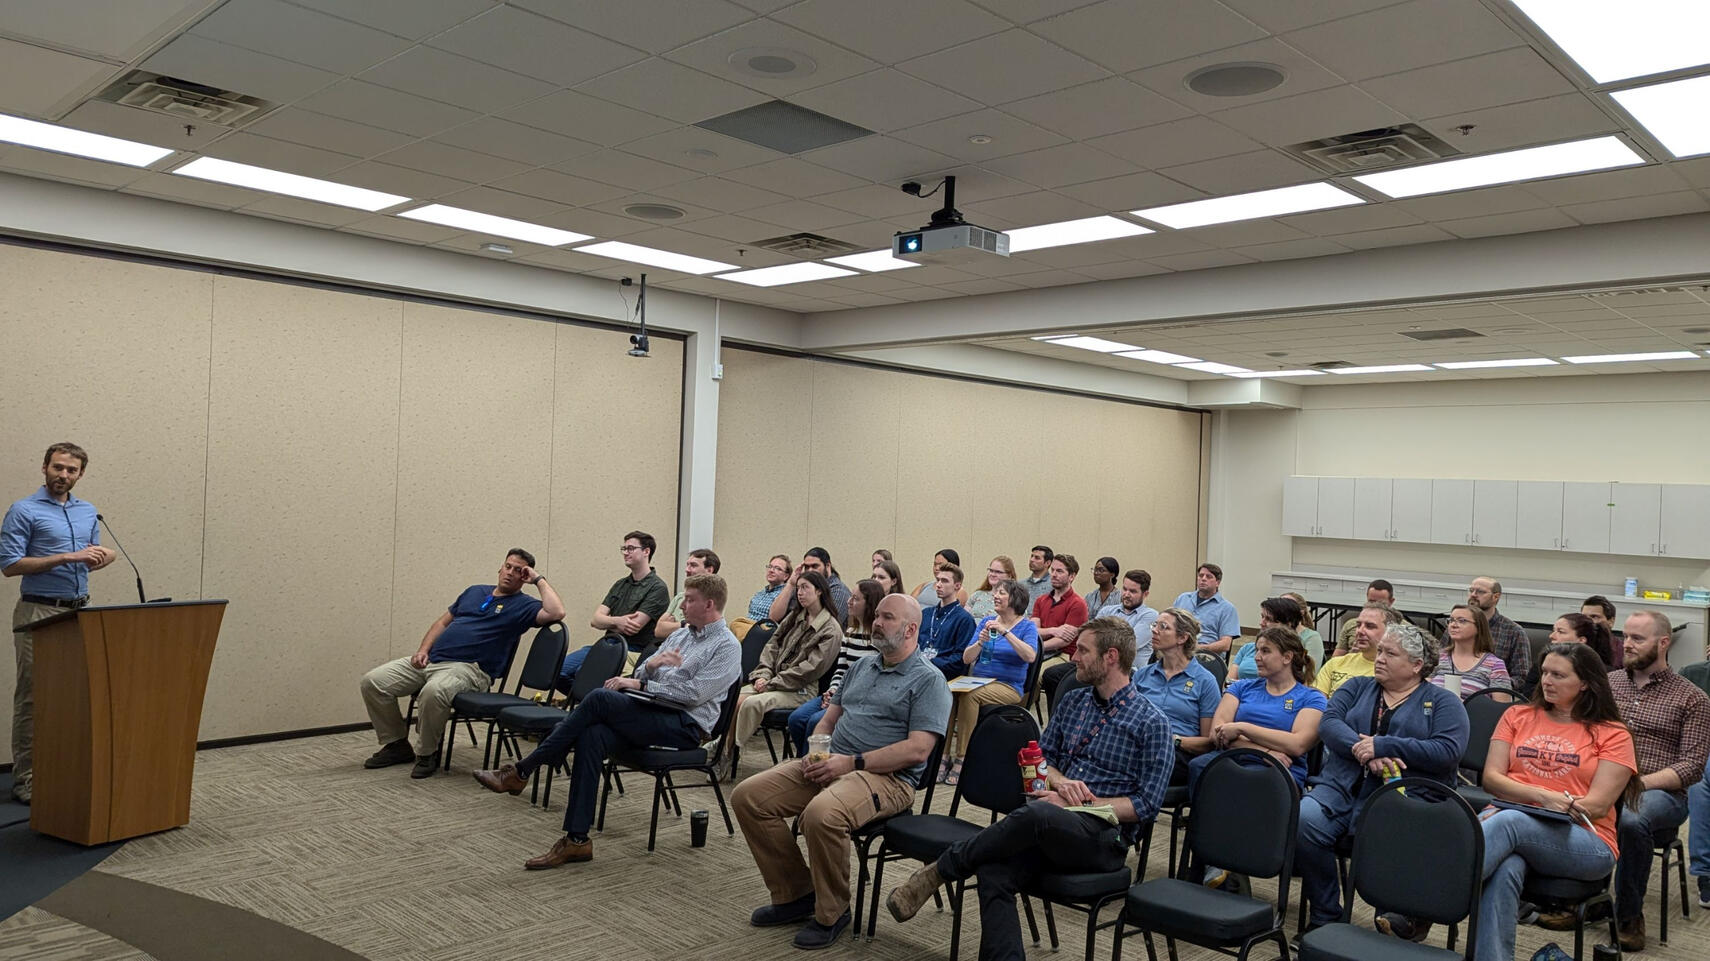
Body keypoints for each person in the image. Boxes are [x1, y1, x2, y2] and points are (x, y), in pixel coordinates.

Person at [884, 616, 1174, 961]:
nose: (1073, 657)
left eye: (1082, 650)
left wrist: (1078, 806)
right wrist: (1062, 783)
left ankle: (943, 867)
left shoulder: (1152, 723)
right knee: (993, 869)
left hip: (1103, 840)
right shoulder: (1073, 702)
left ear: (1111, 657)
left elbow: (1146, 805)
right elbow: (1043, 761)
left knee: (1039, 813)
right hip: (1049, 824)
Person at [472, 573, 741, 866]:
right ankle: (577, 841)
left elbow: (694, 694)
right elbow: (640, 674)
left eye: (690, 600)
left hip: (686, 725)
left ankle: (523, 770)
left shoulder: (727, 646)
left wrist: (643, 684)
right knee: (592, 735)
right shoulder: (680, 635)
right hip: (652, 709)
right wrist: (649, 667)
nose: (683, 607)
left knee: (601, 698)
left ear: (709, 604)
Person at [732, 593, 950, 950]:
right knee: (749, 797)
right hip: (835, 763)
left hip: (888, 779)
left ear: (911, 629)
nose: (877, 622)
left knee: (821, 814)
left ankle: (831, 911)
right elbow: (829, 719)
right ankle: (795, 894)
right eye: (877, 616)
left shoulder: (929, 681)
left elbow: (918, 749)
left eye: (887, 618)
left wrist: (851, 763)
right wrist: (818, 751)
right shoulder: (863, 666)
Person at [1462, 642, 1637, 960]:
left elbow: (1595, 807)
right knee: (1505, 867)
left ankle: (1435, 890)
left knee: (1511, 821)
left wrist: (1529, 803)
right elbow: (1491, 778)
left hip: (1586, 840)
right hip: (1510, 827)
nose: (1546, 680)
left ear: (1584, 682)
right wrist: (1544, 797)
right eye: (1544, 672)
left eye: (1558, 674)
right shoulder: (1517, 715)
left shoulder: (1613, 733)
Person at [1298, 623, 1469, 933]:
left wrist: (1384, 745)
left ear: (1417, 665)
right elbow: (1329, 723)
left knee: (1389, 831)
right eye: (1380, 652)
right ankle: (1325, 914)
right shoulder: (1357, 687)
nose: (1380, 658)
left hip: (1405, 797)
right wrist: (1364, 749)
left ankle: (1400, 916)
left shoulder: (1444, 703)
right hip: (1339, 788)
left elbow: (1447, 750)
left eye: (1391, 654)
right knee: (1303, 821)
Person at [1568, 611, 1709, 951]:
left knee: (1631, 819)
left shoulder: (1692, 698)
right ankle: (1581, 900)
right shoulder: (1609, 683)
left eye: (1637, 638)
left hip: (1660, 792)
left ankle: (1629, 915)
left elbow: (1691, 766)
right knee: (1559, 802)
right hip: (1600, 780)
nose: (1627, 644)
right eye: (1625, 637)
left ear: (1664, 643)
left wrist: (1633, 785)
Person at [359, 549, 564, 778]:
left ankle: (427, 753)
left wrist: (538, 579)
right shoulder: (475, 592)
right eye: (508, 566)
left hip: (469, 669)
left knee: (434, 692)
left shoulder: (524, 605)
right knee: (373, 682)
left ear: (524, 577)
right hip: (431, 660)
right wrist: (423, 650)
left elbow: (557, 612)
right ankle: (397, 744)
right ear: (500, 568)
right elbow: (442, 623)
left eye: (519, 571)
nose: (510, 573)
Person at [2, 442, 116, 804]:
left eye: (71, 470)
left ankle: (64, 768)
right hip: (40, 612)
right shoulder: (24, 510)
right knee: (34, 698)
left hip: (80, 611)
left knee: (77, 697)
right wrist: (66, 556)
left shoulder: (88, 512)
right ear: (44, 467)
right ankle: (28, 779)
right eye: (57, 468)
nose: (63, 475)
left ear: (80, 474)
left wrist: (104, 555)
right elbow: (10, 565)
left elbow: (91, 554)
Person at [731, 569, 843, 775]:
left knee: (752, 703)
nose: (799, 593)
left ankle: (729, 753)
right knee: (735, 698)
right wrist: (763, 674)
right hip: (773, 680)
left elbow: (810, 670)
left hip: (800, 689)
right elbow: (772, 645)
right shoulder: (796, 616)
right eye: (798, 588)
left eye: (805, 588)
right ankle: (723, 747)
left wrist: (772, 682)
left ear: (819, 591)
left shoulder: (830, 629)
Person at [1191, 626, 1327, 792]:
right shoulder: (1241, 687)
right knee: (1200, 766)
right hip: (1235, 758)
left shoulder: (1311, 698)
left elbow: (1297, 745)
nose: (1256, 657)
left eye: (1265, 651)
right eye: (1257, 650)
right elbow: (1217, 734)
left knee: (1253, 781)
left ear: (1287, 657)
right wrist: (1264, 752)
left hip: (1278, 768)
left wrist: (1242, 727)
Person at [942, 579, 1039, 785]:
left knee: (971, 694)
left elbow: (1030, 656)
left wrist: (1006, 632)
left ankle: (962, 757)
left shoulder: (1026, 627)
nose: (995, 596)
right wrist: (980, 642)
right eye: (996, 592)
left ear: (1014, 599)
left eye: (1001, 593)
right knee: (946, 691)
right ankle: (943, 756)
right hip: (978, 680)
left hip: (1008, 686)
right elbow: (967, 659)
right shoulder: (987, 622)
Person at [559, 530, 669, 689]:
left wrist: (607, 621)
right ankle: (586, 703)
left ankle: (590, 703)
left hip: (630, 650)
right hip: (606, 644)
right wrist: (617, 621)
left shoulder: (657, 587)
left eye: (630, 548)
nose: (625, 553)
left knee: (583, 674)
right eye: (624, 549)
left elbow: (632, 627)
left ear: (646, 551)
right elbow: (595, 620)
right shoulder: (620, 584)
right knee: (559, 670)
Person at [786, 579, 882, 757]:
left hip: (856, 698)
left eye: (855, 598)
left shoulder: (877, 639)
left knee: (816, 721)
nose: (849, 601)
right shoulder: (850, 633)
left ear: (869, 604)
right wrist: (832, 691)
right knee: (796, 719)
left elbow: (869, 679)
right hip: (838, 692)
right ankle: (804, 759)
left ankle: (814, 763)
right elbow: (841, 669)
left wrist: (838, 697)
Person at [1044, 568, 1158, 707]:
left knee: (1080, 681)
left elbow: (1127, 646)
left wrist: (1101, 641)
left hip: (1126, 670)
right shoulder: (1107, 610)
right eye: (1125, 589)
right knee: (1051, 674)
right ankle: (1057, 721)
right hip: (1094, 661)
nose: (1126, 594)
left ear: (1145, 594)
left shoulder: (1150, 615)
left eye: (1133, 591)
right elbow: (1090, 637)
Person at [1134, 607, 1221, 784]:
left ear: (1182, 637)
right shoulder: (1142, 675)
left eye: (1163, 627)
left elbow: (1209, 743)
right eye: (1154, 625)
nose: (1154, 631)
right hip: (1138, 745)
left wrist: (1174, 740)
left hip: (1177, 752)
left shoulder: (1204, 681)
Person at [1316, 602, 1401, 696]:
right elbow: (1315, 703)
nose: (1360, 631)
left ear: (1390, 632)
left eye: (1370, 626)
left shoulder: (1394, 672)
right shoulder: (1335, 664)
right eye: (1358, 625)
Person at [1429, 604, 1512, 698]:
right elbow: (1421, 693)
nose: (1453, 625)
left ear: (1478, 627)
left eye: (1462, 621)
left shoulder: (1495, 665)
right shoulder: (1438, 658)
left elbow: (1500, 708)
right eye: (1451, 620)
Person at [1520, 612, 1614, 694]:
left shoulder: (1605, 674)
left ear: (1581, 640)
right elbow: (1529, 694)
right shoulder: (1542, 663)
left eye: (1561, 632)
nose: (1552, 636)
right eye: (1553, 630)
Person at [1462, 576, 1531, 681]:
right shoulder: (1457, 625)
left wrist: (1495, 686)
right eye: (1471, 590)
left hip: (1491, 691)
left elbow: (1521, 677)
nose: (1473, 595)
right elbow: (1439, 661)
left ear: (1496, 597)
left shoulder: (1513, 632)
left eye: (1480, 592)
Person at [920, 564, 977, 679]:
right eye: (938, 580)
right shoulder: (926, 614)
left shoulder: (965, 619)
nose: (939, 585)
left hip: (944, 676)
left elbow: (960, 661)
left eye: (945, 581)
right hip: (918, 671)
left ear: (957, 586)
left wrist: (927, 663)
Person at [768, 547, 850, 627]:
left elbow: (828, 626)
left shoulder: (839, 590)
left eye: (815, 566)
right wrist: (791, 584)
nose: (810, 571)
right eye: (807, 567)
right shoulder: (801, 586)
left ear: (827, 566)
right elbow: (773, 618)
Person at [1031, 553, 1088, 669]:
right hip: (1041, 650)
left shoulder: (1078, 604)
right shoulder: (1041, 600)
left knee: (1036, 675)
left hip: (1063, 655)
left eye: (1059, 571)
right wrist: (1053, 630)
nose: (1053, 575)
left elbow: (1063, 640)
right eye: (1052, 570)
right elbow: (1032, 631)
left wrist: (1036, 646)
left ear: (1071, 576)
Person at [1172, 562, 1240, 657]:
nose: (1203, 579)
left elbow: (1225, 644)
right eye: (1201, 575)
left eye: (1209, 577)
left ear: (1218, 582)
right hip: (1177, 650)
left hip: (1205, 655)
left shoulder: (1227, 608)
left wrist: (1200, 648)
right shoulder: (1183, 598)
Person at [1232, 597, 1306, 680]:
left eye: (1269, 619)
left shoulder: (1294, 655)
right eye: (1262, 617)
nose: (1261, 623)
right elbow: (1228, 682)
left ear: (1287, 625)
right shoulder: (1248, 648)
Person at [653, 548, 720, 638]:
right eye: (687, 565)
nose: (687, 570)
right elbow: (659, 630)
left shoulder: (714, 600)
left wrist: (671, 626)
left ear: (709, 570)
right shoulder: (680, 597)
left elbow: (697, 632)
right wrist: (683, 624)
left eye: (693, 565)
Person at [1332, 579, 1395, 657]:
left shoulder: (1402, 629)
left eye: (1381, 603)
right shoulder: (1351, 625)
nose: (1375, 606)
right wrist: (1352, 655)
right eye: (1371, 602)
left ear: (1391, 601)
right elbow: (1335, 659)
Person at [965, 555, 1015, 623]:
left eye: (998, 572)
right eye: (991, 570)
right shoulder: (977, 595)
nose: (993, 574)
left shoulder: (1014, 600)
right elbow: (963, 619)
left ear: (1009, 575)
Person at [1281, 591, 1324, 665]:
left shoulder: (1312, 638)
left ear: (1301, 612)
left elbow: (1309, 671)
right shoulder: (1273, 633)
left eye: (1287, 607)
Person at [747, 554, 791, 621]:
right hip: (746, 626)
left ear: (786, 576)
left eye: (777, 568)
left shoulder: (785, 596)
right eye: (770, 567)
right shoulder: (759, 594)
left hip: (765, 630)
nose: (771, 570)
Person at [1582, 595, 1623, 668]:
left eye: (1594, 617)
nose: (1587, 621)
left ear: (1611, 621)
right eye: (1583, 617)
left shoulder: (1622, 651)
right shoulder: (1576, 647)